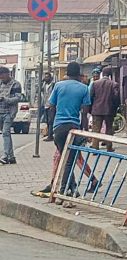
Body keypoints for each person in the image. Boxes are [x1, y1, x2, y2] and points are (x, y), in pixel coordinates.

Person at [46, 61, 96, 201]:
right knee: (69, 161)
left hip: (58, 127)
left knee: (66, 158)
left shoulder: (58, 86)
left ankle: (71, 188)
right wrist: (85, 132)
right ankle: (64, 191)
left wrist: (51, 130)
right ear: (79, 74)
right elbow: (85, 113)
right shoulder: (83, 88)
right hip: (73, 127)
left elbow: (52, 107)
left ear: (67, 73)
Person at [89, 66, 119, 151]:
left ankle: (95, 148)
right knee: (109, 128)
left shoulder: (95, 84)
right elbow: (116, 98)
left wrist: (91, 109)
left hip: (96, 110)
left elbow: (90, 97)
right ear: (110, 75)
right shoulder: (114, 84)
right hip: (109, 110)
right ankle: (109, 147)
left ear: (102, 74)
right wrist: (115, 108)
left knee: (96, 129)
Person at [0, 66, 22, 165]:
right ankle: (11, 157)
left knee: (5, 133)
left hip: (9, 112)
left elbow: (17, 98)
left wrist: (5, 99)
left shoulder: (15, 84)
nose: (1, 78)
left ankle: (5, 156)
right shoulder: (0, 83)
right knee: (6, 134)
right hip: (0, 111)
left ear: (8, 74)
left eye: (3, 76)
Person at [42, 72, 56, 141]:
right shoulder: (44, 85)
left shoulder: (53, 85)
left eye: (47, 77)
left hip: (52, 105)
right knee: (47, 121)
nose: (46, 78)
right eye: (45, 77)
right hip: (45, 104)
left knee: (51, 121)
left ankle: (50, 136)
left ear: (51, 78)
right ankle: (49, 134)